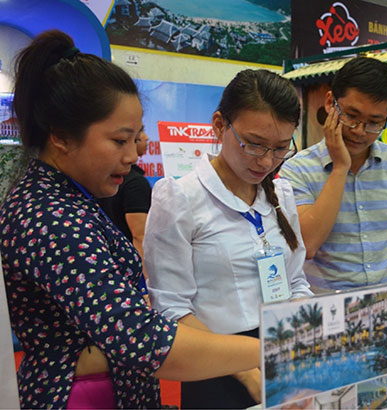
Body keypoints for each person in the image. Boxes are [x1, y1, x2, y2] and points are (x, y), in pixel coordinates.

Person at [0, 30, 260, 409]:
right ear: (61, 136)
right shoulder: (50, 216)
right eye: (119, 141)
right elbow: (140, 338)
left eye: (136, 138)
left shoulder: (72, 200)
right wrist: (266, 348)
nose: (133, 155)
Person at [143, 69, 313, 409]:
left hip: (282, 357)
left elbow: (295, 282)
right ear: (220, 125)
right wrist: (247, 370)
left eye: (281, 148)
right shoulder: (180, 197)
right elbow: (172, 308)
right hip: (214, 367)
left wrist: (304, 347)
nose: (266, 161)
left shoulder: (281, 193)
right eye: (253, 145)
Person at [278, 57, 387, 292]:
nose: (359, 131)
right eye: (351, 116)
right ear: (330, 103)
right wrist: (340, 168)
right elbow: (309, 244)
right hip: (326, 310)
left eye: (374, 122)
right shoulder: (297, 170)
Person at [98, 131, 151, 265]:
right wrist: (144, 279)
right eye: (138, 136)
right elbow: (140, 237)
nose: (146, 138)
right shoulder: (135, 183)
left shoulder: (102, 179)